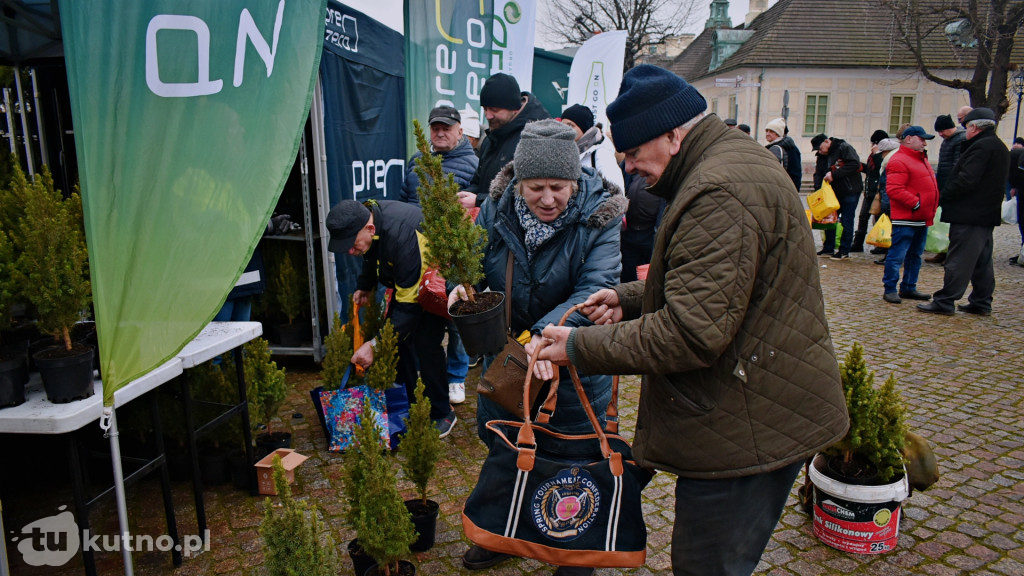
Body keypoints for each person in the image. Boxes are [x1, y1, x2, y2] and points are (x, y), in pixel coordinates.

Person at [536, 65, 848, 576]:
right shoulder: (728, 163)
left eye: (635, 153)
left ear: (673, 133)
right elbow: (716, 286)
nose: (631, 167)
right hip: (753, 403)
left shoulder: (718, 191)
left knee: (707, 567)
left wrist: (578, 347)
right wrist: (629, 299)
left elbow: (690, 333)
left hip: (747, 424)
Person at [450, 119, 625, 576]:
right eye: (535, 187)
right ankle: (505, 533)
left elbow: (596, 289)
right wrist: (460, 286)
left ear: (574, 179)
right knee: (506, 447)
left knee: (573, 458)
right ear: (519, 182)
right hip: (508, 360)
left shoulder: (600, 215)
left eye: (558, 186)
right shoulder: (497, 207)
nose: (547, 199)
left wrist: (544, 337)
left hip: (573, 359)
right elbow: (469, 259)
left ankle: (576, 551)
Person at [325, 199, 458, 437]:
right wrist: (365, 285)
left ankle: (442, 412)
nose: (349, 251)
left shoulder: (402, 238)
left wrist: (374, 346)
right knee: (402, 342)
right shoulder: (367, 219)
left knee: (426, 344)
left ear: (370, 229)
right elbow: (370, 255)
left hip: (433, 284)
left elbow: (409, 308)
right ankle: (409, 402)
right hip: (408, 283)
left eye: (351, 244)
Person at [400, 105, 480, 404]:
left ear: (460, 131)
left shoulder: (473, 164)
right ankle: (428, 370)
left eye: (447, 127)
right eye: (435, 128)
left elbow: (475, 211)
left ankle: (457, 376)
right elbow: (404, 199)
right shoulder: (416, 161)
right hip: (416, 250)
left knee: (455, 315)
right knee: (422, 312)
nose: (440, 132)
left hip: (452, 254)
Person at [918, 107, 1010, 316]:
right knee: (981, 261)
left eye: (966, 126)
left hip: (970, 213)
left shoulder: (982, 147)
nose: (964, 131)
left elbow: (966, 180)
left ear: (973, 127)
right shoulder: (996, 146)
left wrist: (944, 195)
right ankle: (981, 301)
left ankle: (945, 300)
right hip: (984, 213)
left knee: (959, 260)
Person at [458, 73, 550, 209]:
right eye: (485, 109)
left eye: (494, 110)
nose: (488, 115)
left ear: (514, 108)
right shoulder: (491, 139)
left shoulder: (537, 138)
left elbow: (527, 194)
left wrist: (479, 201)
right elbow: (479, 182)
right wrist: (463, 195)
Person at [881, 126, 940, 303]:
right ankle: (890, 288)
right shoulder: (899, 160)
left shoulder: (920, 158)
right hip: (907, 217)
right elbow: (894, 189)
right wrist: (917, 203)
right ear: (908, 139)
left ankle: (908, 287)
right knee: (897, 254)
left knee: (915, 255)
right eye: (921, 139)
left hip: (921, 217)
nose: (924, 142)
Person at [811, 133, 863, 258]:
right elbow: (818, 172)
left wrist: (834, 175)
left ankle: (844, 250)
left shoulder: (844, 147)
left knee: (846, 220)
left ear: (827, 141)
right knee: (829, 219)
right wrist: (818, 189)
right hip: (831, 193)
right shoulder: (822, 155)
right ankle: (828, 247)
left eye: (820, 147)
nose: (820, 151)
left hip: (850, 190)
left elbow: (854, 164)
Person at [927, 113, 967, 264]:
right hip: (943, 184)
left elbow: (957, 166)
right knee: (942, 223)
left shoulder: (960, 140)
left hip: (951, 186)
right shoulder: (948, 140)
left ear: (950, 128)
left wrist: (951, 187)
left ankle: (950, 253)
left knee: (950, 223)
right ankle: (942, 251)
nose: (940, 134)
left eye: (942, 131)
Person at [559, 103, 625, 191]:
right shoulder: (562, 153)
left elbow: (617, 191)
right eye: (562, 125)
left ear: (584, 128)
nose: (565, 130)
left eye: (571, 125)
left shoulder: (601, 154)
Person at [852, 129, 889, 252]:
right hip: (869, 191)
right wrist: (861, 167)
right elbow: (871, 171)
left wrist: (877, 154)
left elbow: (881, 169)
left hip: (877, 192)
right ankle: (857, 244)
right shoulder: (872, 156)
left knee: (879, 219)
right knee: (863, 217)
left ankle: (880, 245)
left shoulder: (883, 155)